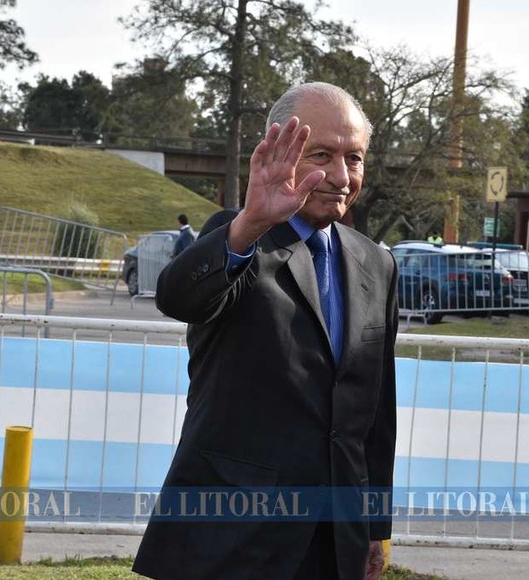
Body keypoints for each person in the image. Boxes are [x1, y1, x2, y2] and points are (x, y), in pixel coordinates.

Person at [132, 82, 397, 580]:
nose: (341, 176)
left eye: (355, 158)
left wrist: (373, 526)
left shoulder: (376, 264)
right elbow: (176, 296)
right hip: (229, 539)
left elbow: (375, 413)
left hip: (334, 539)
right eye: (322, 155)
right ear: (279, 149)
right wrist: (250, 224)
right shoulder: (239, 235)